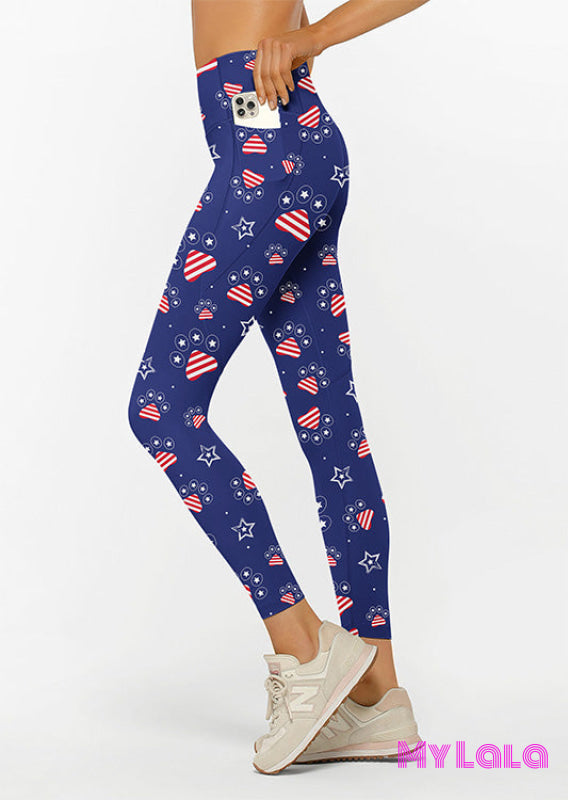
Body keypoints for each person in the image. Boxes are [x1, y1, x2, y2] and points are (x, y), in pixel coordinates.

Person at [128, 0, 430, 774]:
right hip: (275, 134)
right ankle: (377, 699)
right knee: (332, 431)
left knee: (162, 410)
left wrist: (311, 36)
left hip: (269, 148)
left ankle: (305, 650)